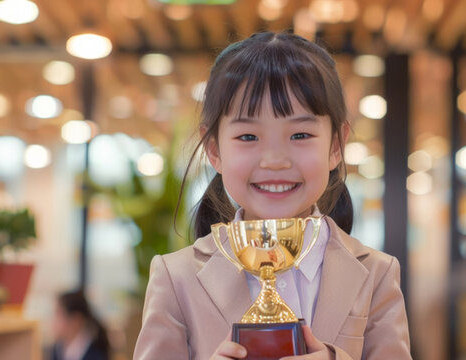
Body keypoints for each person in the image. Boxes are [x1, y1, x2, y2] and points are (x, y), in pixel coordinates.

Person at [134, 31, 411, 360]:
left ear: (336, 146)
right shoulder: (175, 277)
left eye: (300, 134)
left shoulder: (378, 274)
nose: (275, 160)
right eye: (249, 135)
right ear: (214, 149)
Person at [49, 290, 110, 360]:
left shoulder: (95, 355)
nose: (53, 320)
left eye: (58, 314)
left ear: (76, 320)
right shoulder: (57, 349)